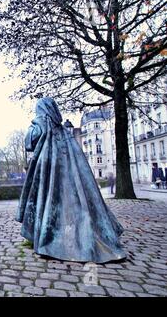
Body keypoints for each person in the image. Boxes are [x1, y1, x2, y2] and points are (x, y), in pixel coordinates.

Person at [17, 98, 126, 264]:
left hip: (50, 175)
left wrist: (36, 122)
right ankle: (84, 236)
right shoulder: (64, 133)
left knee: (50, 203)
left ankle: (52, 240)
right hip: (69, 180)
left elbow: (29, 143)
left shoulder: (41, 125)